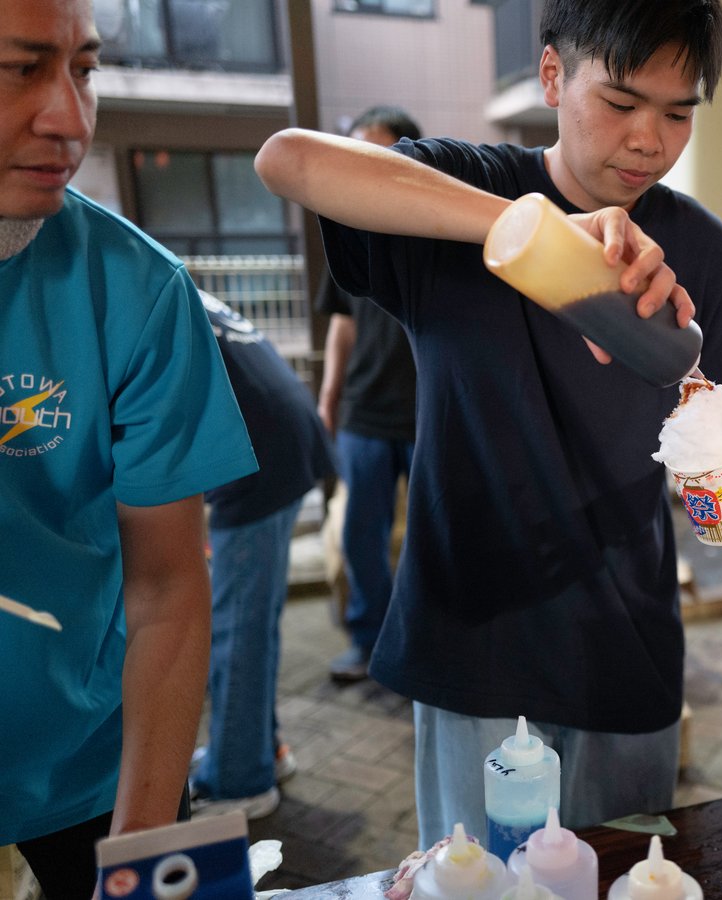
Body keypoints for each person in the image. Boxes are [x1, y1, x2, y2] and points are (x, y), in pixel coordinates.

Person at [255, 0, 722, 845]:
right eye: (620, 103)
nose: (651, 139)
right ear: (552, 75)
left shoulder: (704, 250)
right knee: (479, 882)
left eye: (679, 111)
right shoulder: (466, 190)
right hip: (475, 644)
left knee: (622, 874)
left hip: (630, 650)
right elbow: (288, 160)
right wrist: (529, 229)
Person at [0, 1, 258, 895]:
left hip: (97, 763)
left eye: (84, 68)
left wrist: (146, 855)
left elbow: (168, 586)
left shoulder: (136, 288)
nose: (68, 116)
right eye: (18, 69)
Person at [189, 292, 336, 819]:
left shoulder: (111, 290)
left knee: (237, 628)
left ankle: (238, 782)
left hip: (257, 454)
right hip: (282, 438)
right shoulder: (163, 279)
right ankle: (257, 752)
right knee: (249, 620)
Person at [315, 105, 422, 684]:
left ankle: (426, 646)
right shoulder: (346, 226)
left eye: (381, 151)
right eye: (357, 150)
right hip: (364, 412)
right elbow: (341, 323)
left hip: (427, 412)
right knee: (362, 534)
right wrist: (329, 397)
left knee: (437, 535)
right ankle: (369, 643)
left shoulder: (434, 226)